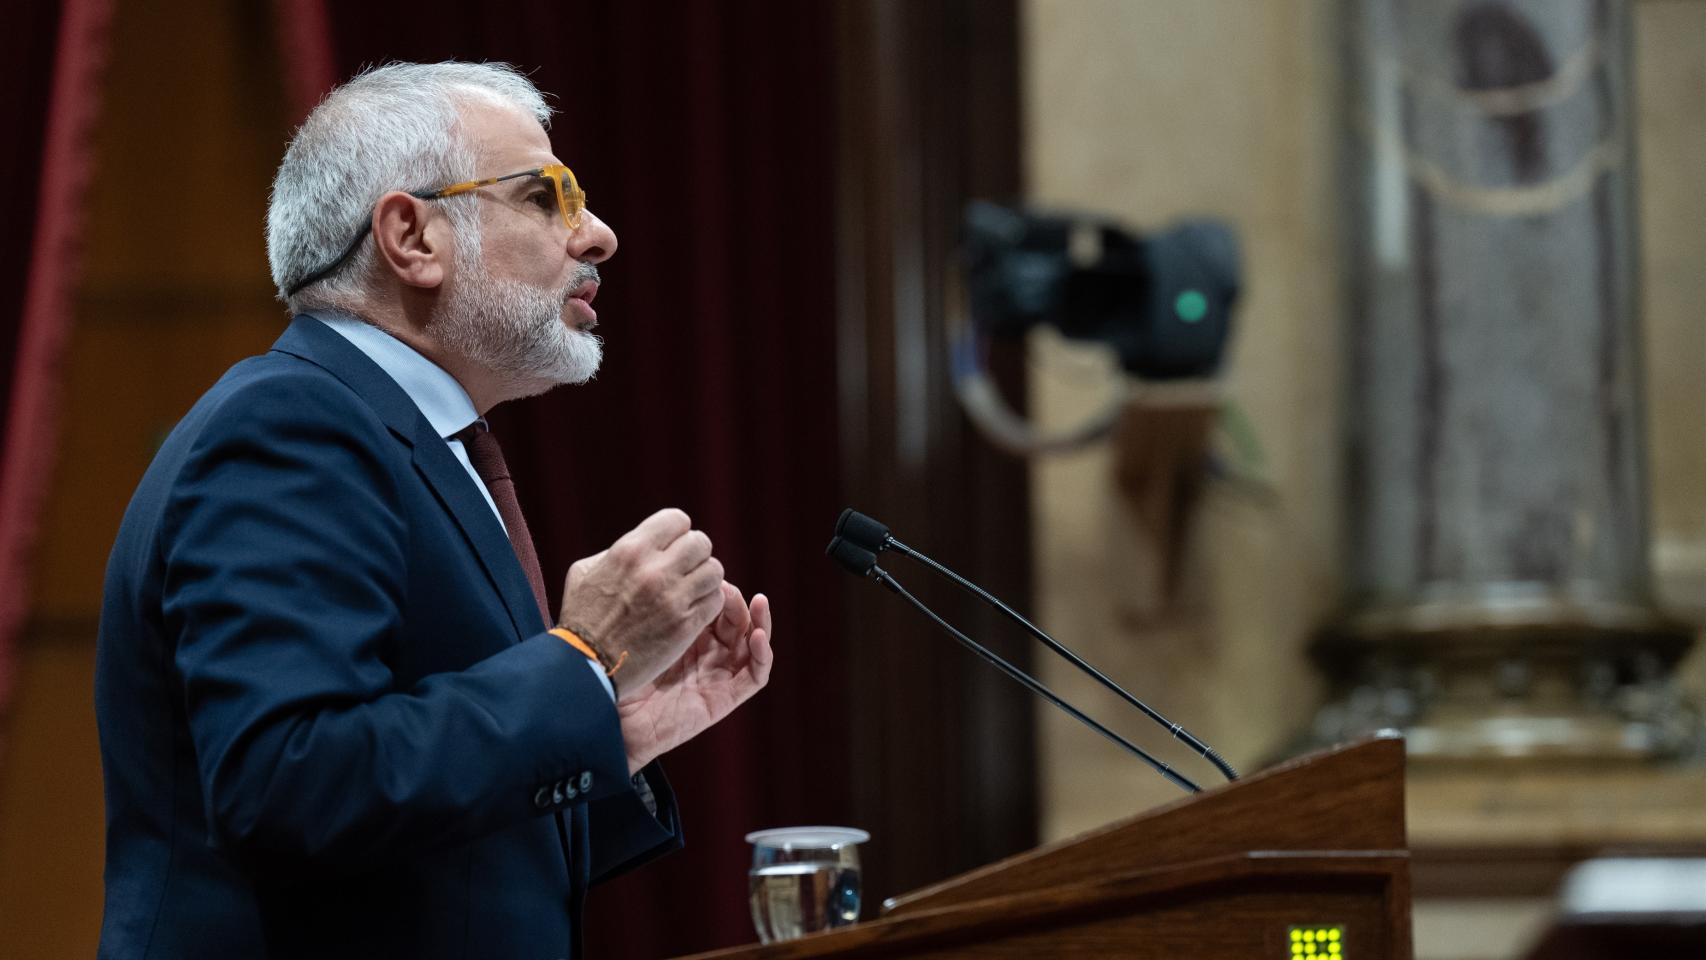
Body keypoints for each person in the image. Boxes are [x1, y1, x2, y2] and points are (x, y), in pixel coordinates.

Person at [94, 61, 773, 959]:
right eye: (546, 195)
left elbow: (426, 852)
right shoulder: (288, 428)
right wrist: (586, 658)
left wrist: (608, 727)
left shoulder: (412, 440)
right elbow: (285, 786)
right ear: (412, 236)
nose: (599, 234)